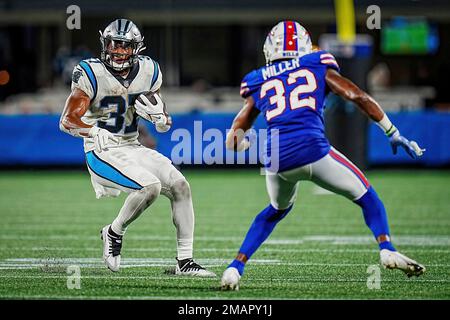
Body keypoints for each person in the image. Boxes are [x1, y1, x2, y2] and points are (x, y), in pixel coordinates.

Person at [221, 21, 426, 290]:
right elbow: (356, 95)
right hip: (313, 149)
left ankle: (235, 268)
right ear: (305, 45)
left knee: (274, 211)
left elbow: (233, 137)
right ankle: (386, 248)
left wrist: (242, 145)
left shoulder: (259, 78)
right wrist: (392, 131)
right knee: (367, 196)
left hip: (277, 159)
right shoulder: (316, 63)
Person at [59, 19, 215, 277]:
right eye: (113, 45)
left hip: (132, 145)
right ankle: (114, 232)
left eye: (124, 46)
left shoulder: (149, 71)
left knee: (180, 185)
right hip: (102, 150)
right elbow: (67, 120)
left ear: (136, 49)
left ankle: (185, 262)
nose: (118, 51)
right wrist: (92, 130)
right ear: (104, 45)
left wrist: (162, 120)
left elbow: (162, 116)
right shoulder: (90, 72)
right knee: (149, 187)